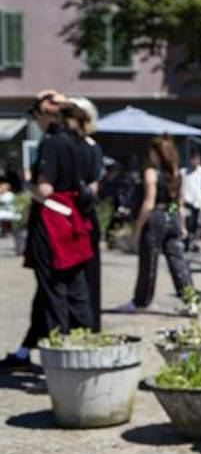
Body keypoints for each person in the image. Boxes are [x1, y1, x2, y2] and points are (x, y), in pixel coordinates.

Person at [1, 92, 97, 371]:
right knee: (75, 288)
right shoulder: (85, 144)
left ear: (48, 115)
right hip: (76, 220)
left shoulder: (53, 143)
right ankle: (81, 348)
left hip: (53, 222)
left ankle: (61, 356)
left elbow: (45, 189)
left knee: (54, 288)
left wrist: (24, 182)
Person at [115, 136, 193, 313]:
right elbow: (177, 203)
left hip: (155, 217)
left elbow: (148, 203)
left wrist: (137, 228)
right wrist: (181, 225)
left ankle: (140, 302)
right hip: (171, 216)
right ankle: (191, 300)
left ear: (157, 153)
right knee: (177, 261)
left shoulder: (151, 172)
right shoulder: (176, 173)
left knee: (148, 262)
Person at [67, 96, 105, 330]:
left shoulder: (86, 147)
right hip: (83, 214)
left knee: (85, 273)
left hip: (81, 216)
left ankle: (86, 322)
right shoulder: (90, 147)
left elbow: (90, 187)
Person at [181, 149, 201, 251]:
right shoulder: (183, 172)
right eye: (193, 159)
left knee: (197, 224)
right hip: (186, 202)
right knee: (187, 223)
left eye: (197, 159)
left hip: (199, 203)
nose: (195, 162)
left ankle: (193, 242)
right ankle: (186, 241)